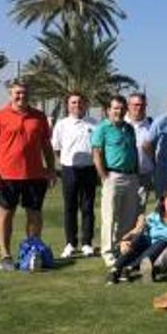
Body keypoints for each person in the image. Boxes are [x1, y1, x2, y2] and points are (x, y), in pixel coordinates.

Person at [0, 81, 55, 271]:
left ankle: (32, 252)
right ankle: (5, 255)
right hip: (6, 175)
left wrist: (51, 169)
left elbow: (46, 146)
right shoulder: (0, 116)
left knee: (35, 215)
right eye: (17, 93)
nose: (21, 96)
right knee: (5, 215)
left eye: (25, 93)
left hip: (35, 175)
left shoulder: (39, 117)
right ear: (10, 94)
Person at [92, 95, 140, 267]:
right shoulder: (102, 128)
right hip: (113, 176)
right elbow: (96, 153)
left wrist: (137, 173)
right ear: (108, 110)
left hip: (131, 176)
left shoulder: (129, 128)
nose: (118, 111)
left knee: (128, 218)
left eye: (121, 108)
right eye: (115, 108)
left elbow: (133, 151)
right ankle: (107, 251)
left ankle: (122, 249)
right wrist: (104, 176)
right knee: (110, 216)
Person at [106, 187, 167, 284]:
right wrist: (124, 240)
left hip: (163, 254)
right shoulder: (155, 216)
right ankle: (115, 270)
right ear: (163, 201)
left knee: (161, 242)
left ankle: (129, 268)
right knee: (140, 238)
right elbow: (138, 227)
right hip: (147, 248)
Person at [52, 93, 98, 259]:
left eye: (80, 102)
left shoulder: (94, 124)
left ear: (85, 104)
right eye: (73, 102)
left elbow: (98, 148)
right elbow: (56, 148)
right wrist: (63, 163)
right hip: (69, 169)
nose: (77, 105)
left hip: (89, 169)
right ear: (68, 105)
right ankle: (70, 243)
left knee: (87, 207)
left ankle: (86, 243)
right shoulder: (61, 124)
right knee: (70, 207)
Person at [126, 92, 155, 209]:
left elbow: (158, 152)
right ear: (128, 106)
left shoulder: (152, 125)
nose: (139, 108)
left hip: (145, 175)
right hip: (125, 175)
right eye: (135, 105)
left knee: (140, 210)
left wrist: (151, 151)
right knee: (123, 210)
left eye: (142, 105)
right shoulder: (120, 123)